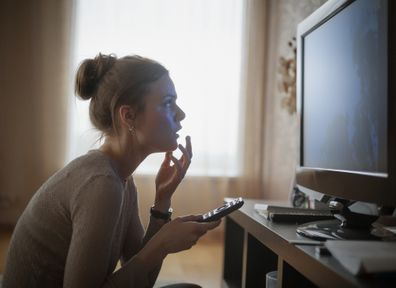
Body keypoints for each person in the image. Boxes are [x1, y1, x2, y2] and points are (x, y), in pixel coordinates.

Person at [3, 54, 220, 288]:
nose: (181, 114)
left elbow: (141, 279)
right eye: (168, 103)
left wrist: (162, 203)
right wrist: (163, 244)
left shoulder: (121, 180)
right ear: (128, 116)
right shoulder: (101, 184)